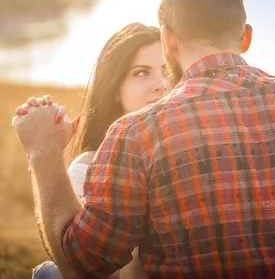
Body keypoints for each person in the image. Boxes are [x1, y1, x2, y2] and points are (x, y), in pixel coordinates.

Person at [12, 0, 275, 278]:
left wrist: (44, 153)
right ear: (245, 37)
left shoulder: (138, 133)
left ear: (168, 42)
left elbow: (83, 264)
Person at [21, 22, 167, 279]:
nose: (161, 84)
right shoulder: (88, 167)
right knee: (50, 273)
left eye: (168, 71)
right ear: (115, 91)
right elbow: (85, 270)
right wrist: (44, 151)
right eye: (142, 73)